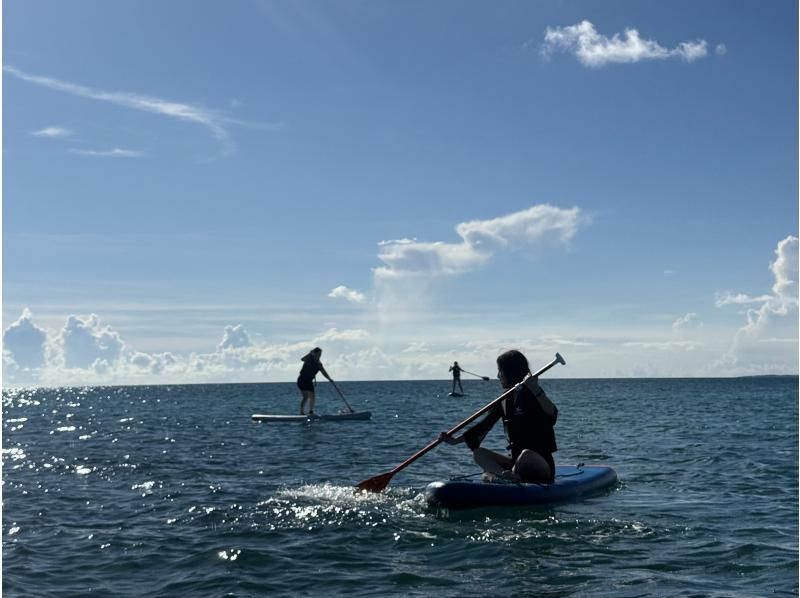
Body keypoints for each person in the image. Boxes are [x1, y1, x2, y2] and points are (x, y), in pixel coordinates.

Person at [439, 349, 558, 483]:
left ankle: (503, 476)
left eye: (500, 371)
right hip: (515, 464)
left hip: (540, 464)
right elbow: (483, 426)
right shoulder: (504, 400)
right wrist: (454, 441)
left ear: (509, 372)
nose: (497, 376)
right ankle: (506, 475)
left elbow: (552, 414)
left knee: (526, 455)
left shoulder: (533, 392)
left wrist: (535, 389)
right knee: (479, 453)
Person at [296, 347, 334, 415]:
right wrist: (310, 353)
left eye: (320, 354)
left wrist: (329, 379)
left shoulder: (319, 364)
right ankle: (301, 412)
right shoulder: (309, 359)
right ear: (315, 354)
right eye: (318, 354)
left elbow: (324, 372)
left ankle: (310, 411)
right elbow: (302, 359)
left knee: (312, 396)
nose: (319, 356)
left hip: (309, 381)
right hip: (302, 380)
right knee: (306, 397)